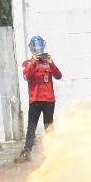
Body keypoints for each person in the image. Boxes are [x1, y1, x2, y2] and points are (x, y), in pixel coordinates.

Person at [15, 35, 62, 163]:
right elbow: (27, 76)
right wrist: (34, 62)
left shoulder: (48, 63)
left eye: (40, 45)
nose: (38, 50)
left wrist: (52, 63)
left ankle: (52, 151)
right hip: (35, 99)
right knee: (32, 127)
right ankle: (27, 151)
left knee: (49, 126)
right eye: (36, 47)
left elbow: (58, 76)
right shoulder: (27, 63)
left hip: (48, 100)